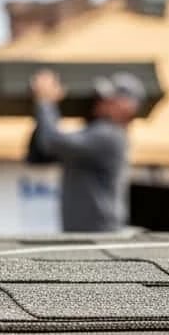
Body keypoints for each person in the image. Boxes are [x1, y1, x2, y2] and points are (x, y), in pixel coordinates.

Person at [28, 70, 146, 232]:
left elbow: (52, 142)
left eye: (110, 98)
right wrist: (43, 112)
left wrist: (46, 102)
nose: (101, 102)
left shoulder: (109, 136)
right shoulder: (93, 134)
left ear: (128, 107)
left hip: (100, 238)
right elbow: (38, 155)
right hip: (84, 236)